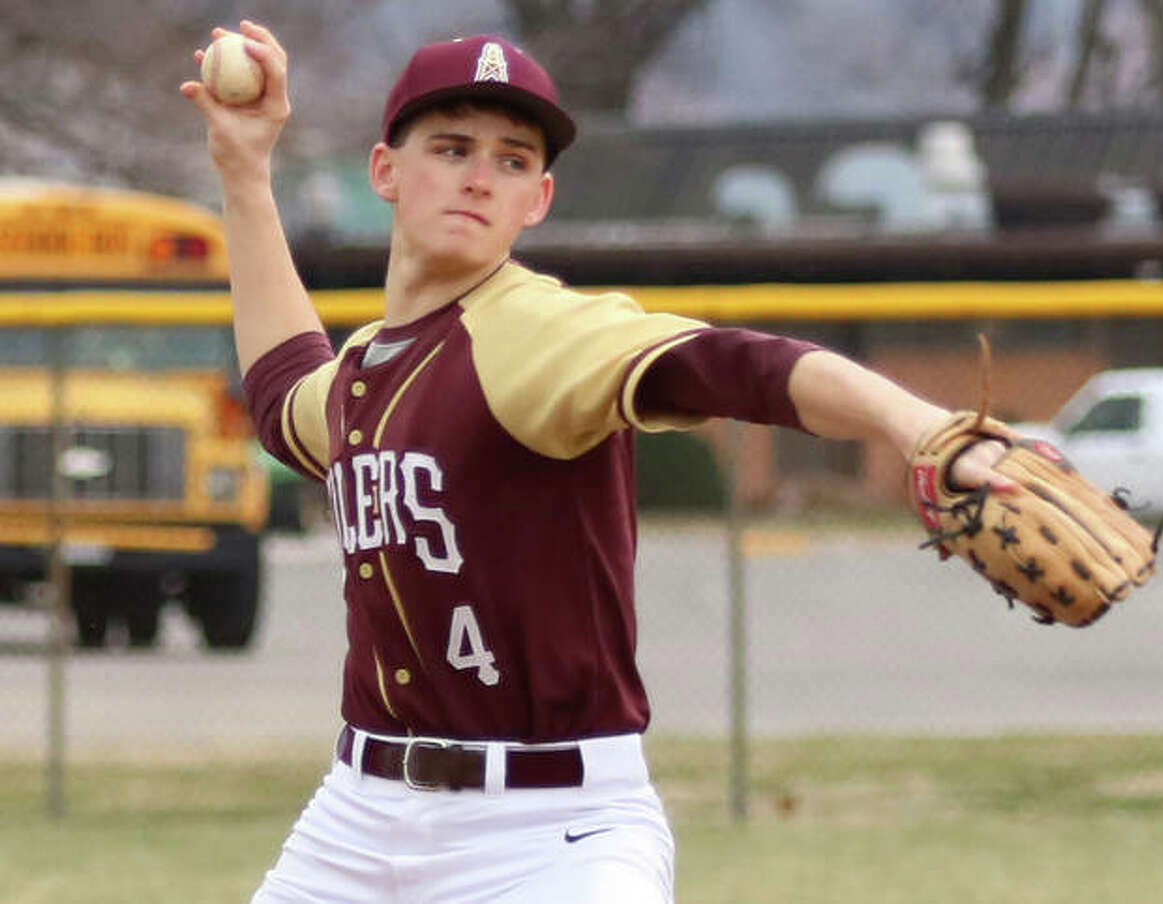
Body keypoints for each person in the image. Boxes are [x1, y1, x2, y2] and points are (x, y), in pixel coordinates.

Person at [182, 20, 1008, 904]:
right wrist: (243, 169)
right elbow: (281, 397)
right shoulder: (365, 371)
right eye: (452, 146)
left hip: (549, 833)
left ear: (538, 198)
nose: (478, 176)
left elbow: (736, 367)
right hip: (357, 816)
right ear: (385, 172)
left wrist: (916, 424)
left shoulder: (540, 331)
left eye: (511, 159)